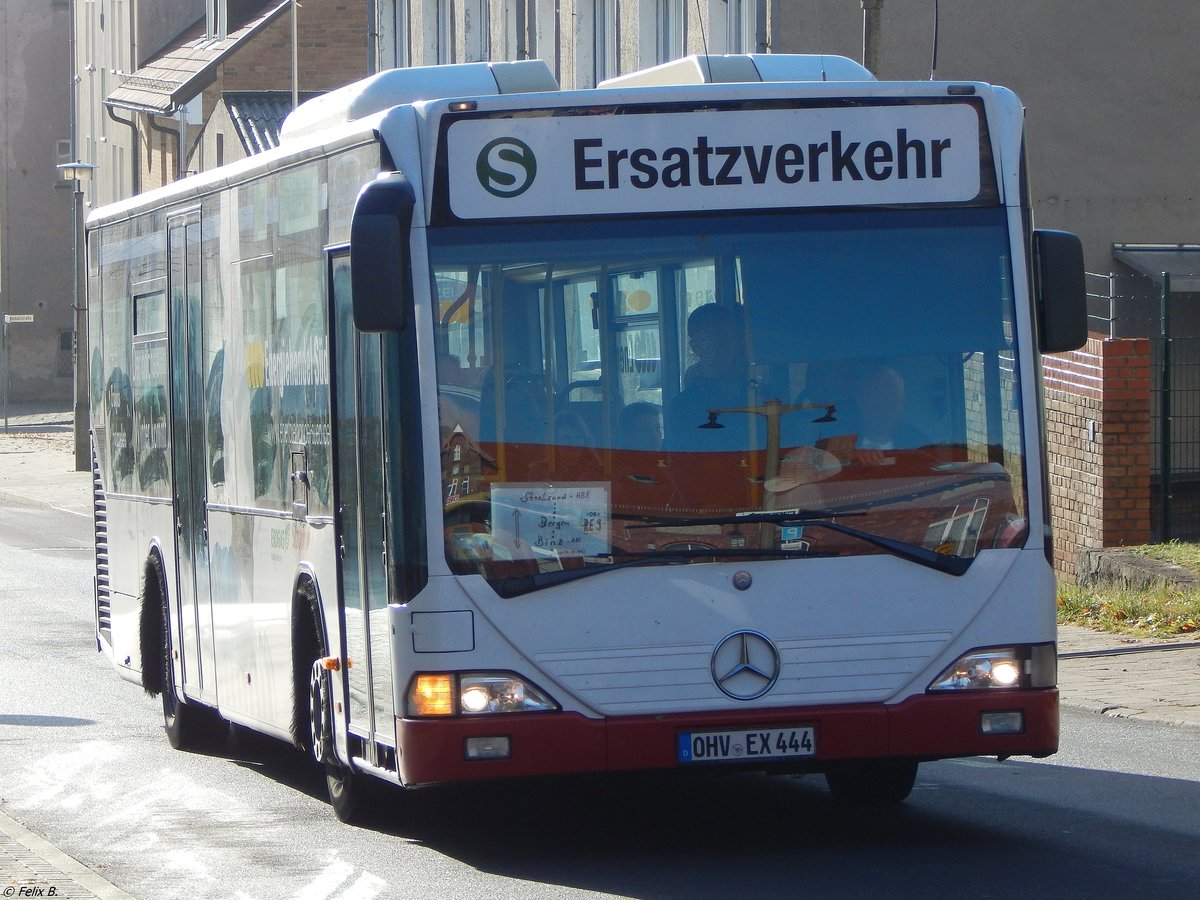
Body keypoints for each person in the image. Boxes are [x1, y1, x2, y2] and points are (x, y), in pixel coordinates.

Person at [666, 303, 747, 448]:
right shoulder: (683, 406)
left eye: (729, 335)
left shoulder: (754, 394)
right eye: (713, 336)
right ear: (695, 346)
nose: (723, 343)